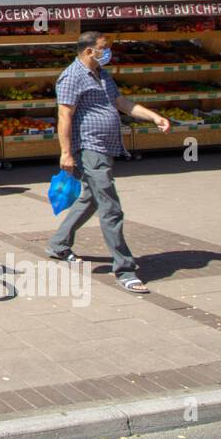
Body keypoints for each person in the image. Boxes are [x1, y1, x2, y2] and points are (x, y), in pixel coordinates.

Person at [49, 31, 171, 294]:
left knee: (91, 198)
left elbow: (122, 103)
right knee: (110, 207)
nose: (108, 52)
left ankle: (59, 243)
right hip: (89, 148)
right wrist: (66, 152)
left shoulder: (103, 75)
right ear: (88, 51)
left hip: (105, 148)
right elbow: (64, 116)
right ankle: (125, 269)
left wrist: (153, 117)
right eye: (104, 48)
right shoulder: (71, 76)